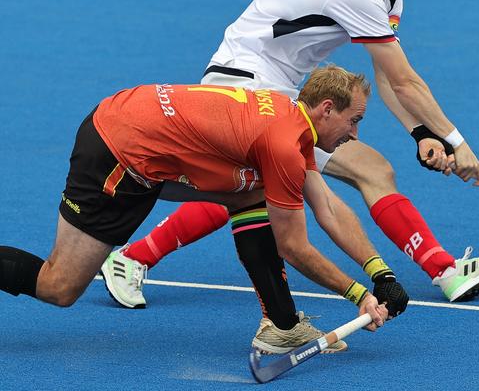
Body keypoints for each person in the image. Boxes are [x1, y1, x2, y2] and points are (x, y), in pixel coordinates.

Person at [101, 0, 479, 353]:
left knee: (362, 171)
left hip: (280, 89)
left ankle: (135, 258)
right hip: (243, 82)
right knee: (274, 186)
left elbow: (386, 75)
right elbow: (405, 79)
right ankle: (436, 273)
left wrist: (421, 134)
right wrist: (456, 141)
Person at [0, 66, 405, 351]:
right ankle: (282, 324)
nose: (355, 134)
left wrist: (379, 273)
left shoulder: (291, 119)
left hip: (136, 123)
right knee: (60, 287)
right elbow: (293, 246)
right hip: (118, 154)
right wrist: (357, 295)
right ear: (327, 108)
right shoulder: (283, 144)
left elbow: (328, 210)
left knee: (248, 192)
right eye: (355, 121)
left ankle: (281, 327)